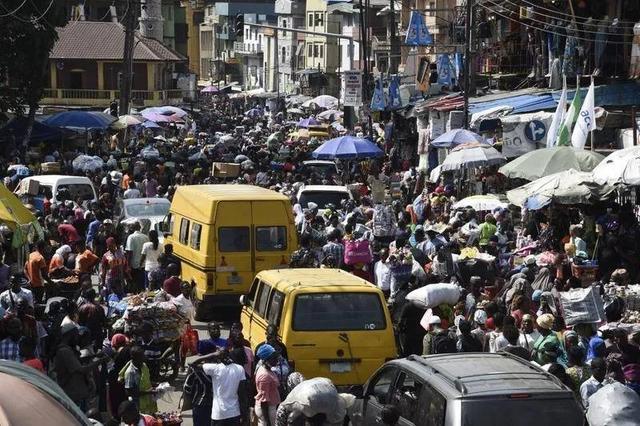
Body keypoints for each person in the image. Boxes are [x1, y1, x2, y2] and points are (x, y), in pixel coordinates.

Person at [55, 322, 107, 411]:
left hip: (76, 393)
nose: (77, 338)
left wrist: (95, 356)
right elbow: (81, 369)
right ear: (69, 336)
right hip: (71, 393)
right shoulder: (65, 351)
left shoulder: (68, 349)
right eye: (75, 335)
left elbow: (77, 362)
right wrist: (100, 361)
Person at [191, 348, 249, 426]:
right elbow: (242, 395)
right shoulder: (240, 369)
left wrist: (213, 354)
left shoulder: (215, 368)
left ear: (218, 357)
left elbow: (193, 364)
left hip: (219, 414)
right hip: (234, 412)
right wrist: (245, 415)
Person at [120, 345, 157, 415]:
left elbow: (145, 380)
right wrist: (148, 392)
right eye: (141, 357)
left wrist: (155, 384)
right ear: (133, 358)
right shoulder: (130, 372)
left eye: (143, 356)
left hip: (148, 403)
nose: (144, 358)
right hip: (137, 406)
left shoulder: (144, 366)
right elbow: (129, 392)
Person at [255, 344, 282, 426]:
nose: (277, 359)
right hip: (267, 410)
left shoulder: (268, 369)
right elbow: (264, 401)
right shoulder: (264, 375)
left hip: (270, 408)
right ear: (267, 359)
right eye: (274, 357)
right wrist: (267, 422)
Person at [125, 222, 149, 293]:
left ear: (132, 228)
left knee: (134, 284)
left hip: (134, 264)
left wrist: (128, 265)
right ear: (140, 228)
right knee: (142, 285)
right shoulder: (146, 237)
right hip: (144, 264)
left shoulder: (131, 237)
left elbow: (129, 252)